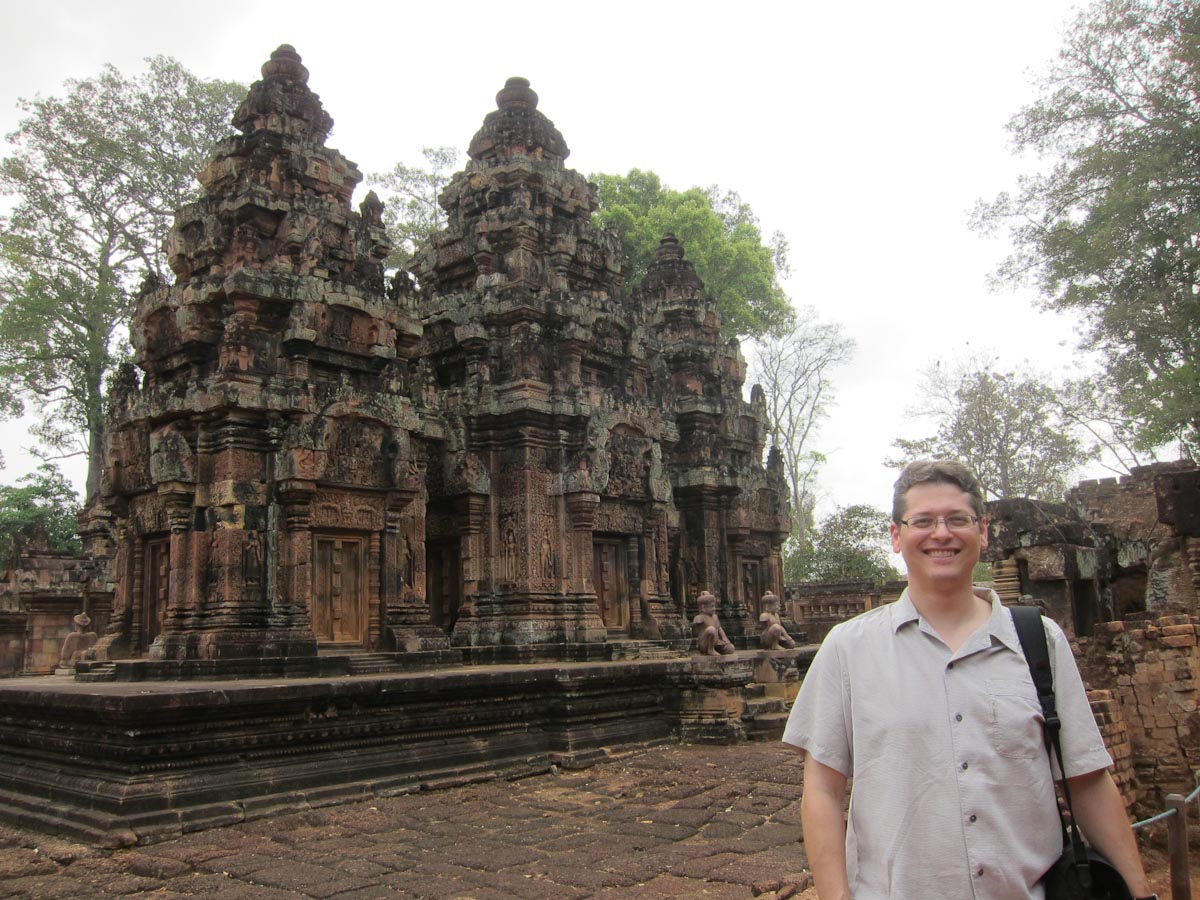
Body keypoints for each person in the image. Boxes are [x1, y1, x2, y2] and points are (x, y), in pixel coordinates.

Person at [782, 459, 1154, 900]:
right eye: (923, 521)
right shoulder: (849, 648)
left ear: (983, 531)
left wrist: (1141, 893)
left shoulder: (1040, 641)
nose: (941, 534)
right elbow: (823, 790)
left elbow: (1086, 780)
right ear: (896, 536)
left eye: (957, 519)